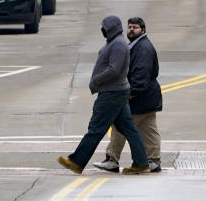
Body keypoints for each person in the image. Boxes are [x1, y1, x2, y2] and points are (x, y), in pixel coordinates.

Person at [58, 15, 151, 175]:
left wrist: (96, 80)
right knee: (129, 129)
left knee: (96, 128)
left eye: (105, 27)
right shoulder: (115, 42)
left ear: (112, 28)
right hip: (115, 92)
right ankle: (141, 163)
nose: (103, 30)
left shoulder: (118, 45)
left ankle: (76, 162)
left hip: (112, 93)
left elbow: (114, 69)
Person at [93, 17, 162, 172]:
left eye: (135, 27)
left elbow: (141, 75)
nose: (131, 30)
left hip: (139, 98)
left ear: (143, 30)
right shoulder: (137, 45)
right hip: (148, 98)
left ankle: (112, 159)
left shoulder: (143, 48)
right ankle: (153, 160)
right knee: (149, 129)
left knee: (120, 126)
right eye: (129, 27)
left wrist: (131, 92)